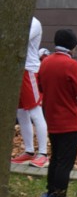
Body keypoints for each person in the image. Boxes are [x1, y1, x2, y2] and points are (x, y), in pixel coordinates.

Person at [36, 29, 77, 197]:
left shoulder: (46, 62)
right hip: (70, 121)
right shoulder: (71, 64)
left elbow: (41, 86)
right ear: (72, 46)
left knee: (56, 159)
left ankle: (49, 194)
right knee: (65, 164)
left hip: (52, 118)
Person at [13, 17, 48, 169]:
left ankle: (43, 153)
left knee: (35, 111)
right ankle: (28, 150)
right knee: (21, 113)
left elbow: (18, 40)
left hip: (29, 70)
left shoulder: (33, 22)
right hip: (17, 70)